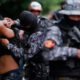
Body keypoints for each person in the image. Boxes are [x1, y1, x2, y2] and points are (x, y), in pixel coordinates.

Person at [27, 0, 80, 80]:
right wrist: (75, 52)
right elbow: (47, 53)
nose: (76, 18)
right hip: (62, 75)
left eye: (78, 16)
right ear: (65, 15)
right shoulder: (55, 29)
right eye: (73, 15)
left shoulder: (75, 30)